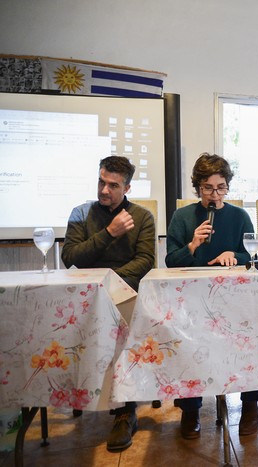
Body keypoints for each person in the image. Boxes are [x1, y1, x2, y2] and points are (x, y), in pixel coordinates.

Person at [62, 155, 155, 453]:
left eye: (113, 185)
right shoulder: (80, 213)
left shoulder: (142, 218)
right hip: (86, 293)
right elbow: (71, 259)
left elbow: (145, 262)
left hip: (124, 292)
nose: (104, 190)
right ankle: (81, 393)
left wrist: (109, 284)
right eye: (102, 181)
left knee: (123, 318)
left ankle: (125, 410)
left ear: (127, 187)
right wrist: (108, 233)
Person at [165, 152, 258, 437]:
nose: (215, 194)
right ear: (198, 188)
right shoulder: (182, 216)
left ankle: (250, 404)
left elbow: (252, 256)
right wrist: (193, 245)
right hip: (194, 299)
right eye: (208, 188)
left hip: (234, 299)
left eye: (221, 187)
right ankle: (191, 408)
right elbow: (171, 261)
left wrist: (236, 254)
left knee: (249, 339)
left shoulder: (240, 216)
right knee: (188, 343)